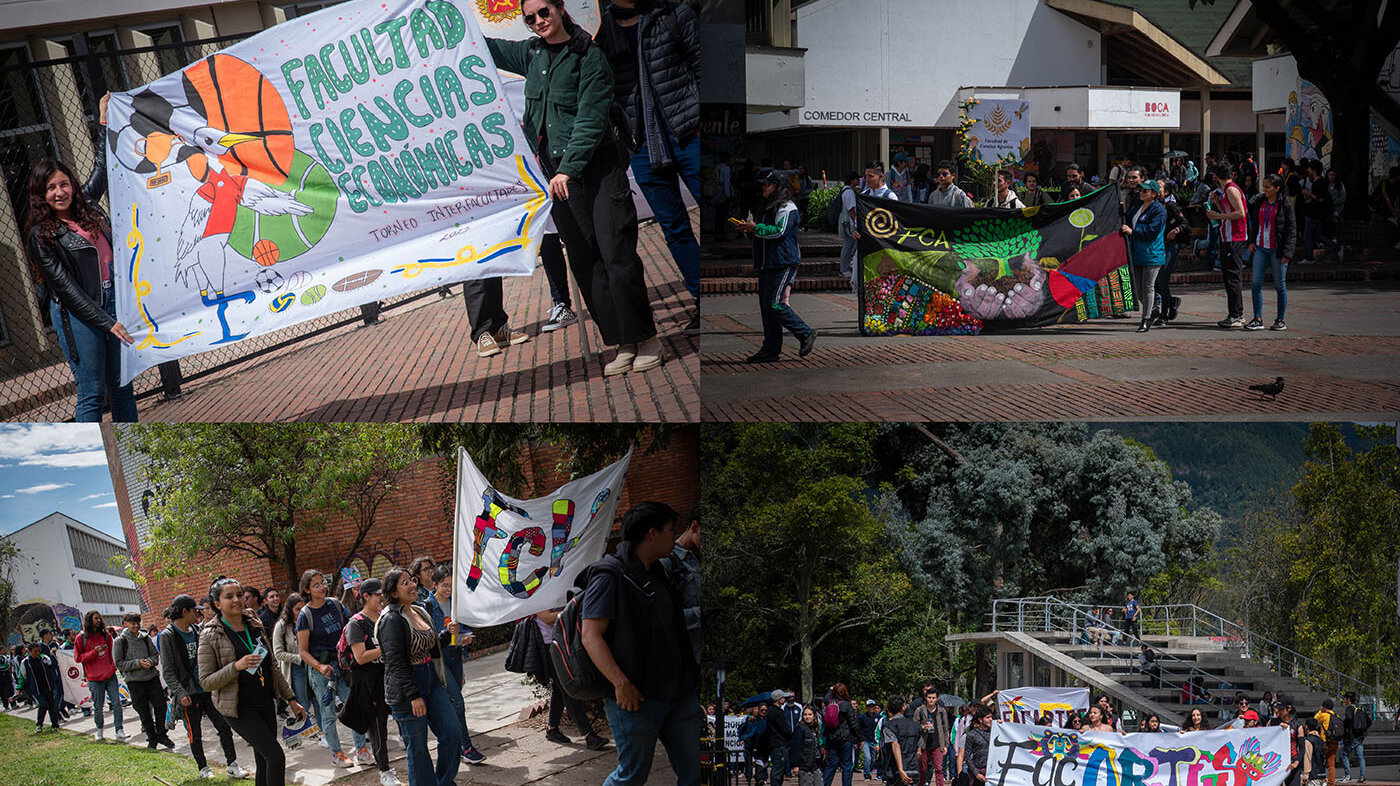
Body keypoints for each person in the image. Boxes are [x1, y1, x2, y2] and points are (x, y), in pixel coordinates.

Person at [487, 0, 663, 376]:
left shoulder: (589, 56)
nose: (538, 22)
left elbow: (591, 117)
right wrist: (439, 19)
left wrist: (567, 169)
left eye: (543, 12)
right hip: (558, 178)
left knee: (617, 255)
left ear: (560, 8)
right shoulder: (531, 54)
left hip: (597, 170)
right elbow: (487, 48)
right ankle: (622, 342)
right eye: (530, 18)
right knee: (585, 261)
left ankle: (647, 337)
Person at [22, 92, 137, 423]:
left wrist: (103, 118)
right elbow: (68, 291)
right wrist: (108, 322)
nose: (60, 193)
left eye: (63, 184)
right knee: (91, 393)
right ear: (41, 195)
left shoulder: (87, 205)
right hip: (80, 316)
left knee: (123, 388)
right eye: (50, 189)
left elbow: (103, 166)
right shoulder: (41, 236)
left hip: (114, 302)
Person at [594, 0, 702, 326]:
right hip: (642, 143)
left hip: (689, 132)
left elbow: (702, 63)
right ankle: (700, 297)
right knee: (675, 228)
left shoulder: (672, 12)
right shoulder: (601, 28)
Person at [580, 501, 701, 786]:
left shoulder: (660, 572)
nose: (675, 536)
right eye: (670, 530)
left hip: (678, 694)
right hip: (637, 699)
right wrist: (621, 683)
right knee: (631, 777)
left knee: (695, 771)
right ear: (651, 534)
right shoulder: (609, 574)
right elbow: (590, 635)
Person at [199, 577, 305, 786]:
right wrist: (236, 667)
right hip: (238, 708)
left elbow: (272, 667)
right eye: (229, 596)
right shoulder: (210, 635)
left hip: (265, 701)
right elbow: (206, 681)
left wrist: (291, 699)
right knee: (275, 756)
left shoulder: (254, 623)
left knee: (263, 758)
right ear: (217, 604)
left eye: (239, 595)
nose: (237, 600)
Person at [380, 566, 463, 786]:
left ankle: (444, 782)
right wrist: (414, 695)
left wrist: (447, 635)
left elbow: (431, 645)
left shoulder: (418, 610)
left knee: (453, 733)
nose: (412, 585)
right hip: (407, 689)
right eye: (405, 583)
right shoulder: (391, 620)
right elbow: (395, 662)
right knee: (417, 749)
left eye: (412, 580)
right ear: (393, 592)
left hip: (431, 680)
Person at [160, 594, 249, 780]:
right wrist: (180, 692)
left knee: (224, 727)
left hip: (208, 688)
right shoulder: (168, 636)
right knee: (195, 733)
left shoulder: (196, 630)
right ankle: (203, 768)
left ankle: (232, 764)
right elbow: (168, 672)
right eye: (195, 611)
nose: (198, 615)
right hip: (189, 693)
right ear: (185, 612)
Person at [735, 168, 817, 363]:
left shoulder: (788, 206)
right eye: (763, 184)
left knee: (775, 304)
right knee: (766, 306)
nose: (764, 187)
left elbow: (780, 231)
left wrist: (756, 228)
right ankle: (771, 349)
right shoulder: (768, 205)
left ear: (779, 187)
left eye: (768, 184)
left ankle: (805, 333)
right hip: (767, 262)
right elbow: (764, 231)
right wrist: (749, 228)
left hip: (783, 262)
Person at [296, 570, 367, 767]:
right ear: (307, 590)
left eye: (323, 582)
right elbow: (302, 651)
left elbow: (351, 625)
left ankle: (361, 749)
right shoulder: (305, 615)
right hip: (321, 671)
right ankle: (337, 754)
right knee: (327, 714)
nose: (322, 587)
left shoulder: (335, 604)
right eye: (316, 585)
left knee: (354, 705)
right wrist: (320, 667)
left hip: (342, 666)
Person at [424, 565, 487, 764]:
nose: (448, 589)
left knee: (452, 704)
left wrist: (464, 638)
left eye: (451, 585)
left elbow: (465, 632)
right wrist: (452, 636)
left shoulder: (456, 604)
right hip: (439, 661)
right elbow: (431, 640)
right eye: (444, 585)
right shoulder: (428, 606)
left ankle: (451, 742)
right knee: (457, 702)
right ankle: (465, 747)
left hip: (455, 657)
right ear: (434, 585)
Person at [343, 579, 403, 786]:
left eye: (382, 594)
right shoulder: (356, 623)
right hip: (369, 686)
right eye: (377, 595)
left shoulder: (385, 617)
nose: (381, 598)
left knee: (406, 720)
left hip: (390, 679)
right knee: (379, 731)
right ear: (365, 596)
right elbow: (360, 656)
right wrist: (388, 648)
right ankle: (385, 771)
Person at [115, 611, 175, 750]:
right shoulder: (120, 641)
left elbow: (155, 655)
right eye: (132, 623)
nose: (135, 626)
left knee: (161, 706)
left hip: (152, 678)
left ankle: (161, 734)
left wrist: (149, 662)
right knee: (144, 711)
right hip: (135, 682)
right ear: (125, 624)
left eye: (137, 622)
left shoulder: (145, 637)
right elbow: (119, 664)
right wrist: (138, 663)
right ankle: (152, 738)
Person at [1245, 174, 1297, 332]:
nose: (1265, 190)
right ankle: (1258, 318)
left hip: (1278, 250)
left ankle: (1280, 319)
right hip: (1261, 247)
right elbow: (1254, 222)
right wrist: (1251, 241)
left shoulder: (1284, 204)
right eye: (1263, 186)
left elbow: (1291, 230)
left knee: (1279, 284)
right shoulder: (1260, 201)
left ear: (1277, 188)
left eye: (1268, 187)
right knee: (1255, 283)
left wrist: (1288, 253)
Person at [1206, 164, 1249, 328]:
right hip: (1228, 237)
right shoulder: (1227, 191)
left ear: (1216, 176)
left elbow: (1240, 213)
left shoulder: (1231, 189)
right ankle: (1235, 313)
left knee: (1233, 277)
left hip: (1235, 238)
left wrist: (1218, 215)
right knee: (1229, 276)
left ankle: (1236, 314)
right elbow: (1230, 210)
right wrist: (1217, 204)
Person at [76, 609, 127, 741]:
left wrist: (112, 668)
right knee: (98, 706)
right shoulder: (81, 638)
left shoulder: (106, 635)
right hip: (94, 678)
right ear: (89, 620)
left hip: (109, 676)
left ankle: (119, 729)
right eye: (96, 618)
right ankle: (99, 729)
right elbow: (78, 658)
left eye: (100, 618)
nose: (99, 621)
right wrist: (94, 652)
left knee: (116, 703)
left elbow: (113, 653)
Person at [661, 506, 701, 663]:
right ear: (694, 527)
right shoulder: (667, 561)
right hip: (687, 658)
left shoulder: (701, 557)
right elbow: (664, 618)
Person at [1298, 161, 1341, 263]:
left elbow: (1320, 199)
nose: (1308, 171)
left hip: (1314, 213)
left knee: (1307, 235)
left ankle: (1309, 257)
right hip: (1318, 213)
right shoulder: (1320, 182)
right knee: (1317, 235)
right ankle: (1336, 247)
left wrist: (1308, 194)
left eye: (1309, 169)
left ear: (1314, 170)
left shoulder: (1318, 183)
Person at [824, 683, 862, 786]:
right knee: (846, 766)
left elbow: (826, 698)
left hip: (832, 737)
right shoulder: (846, 704)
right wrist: (859, 737)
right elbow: (852, 723)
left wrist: (831, 689)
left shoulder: (829, 702)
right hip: (845, 738)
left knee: (831, 765)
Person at [883, 696, 920, 786]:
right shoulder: (916, 726)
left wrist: (900, 769)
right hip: (913, 769)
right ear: (903, 707)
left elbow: (895, 745)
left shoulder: (888, 726)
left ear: (889, 709)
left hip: (895, 771)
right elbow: (919, 750)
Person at [913, 691, 947, 786]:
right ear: (925, 698)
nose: (931, 699)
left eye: (933, 698)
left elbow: (945, 728)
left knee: (939, 769)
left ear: (937, 699)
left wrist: (945, 745)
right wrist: (923, 727)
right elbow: (914, 727)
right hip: (923, 744)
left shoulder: (941, 711)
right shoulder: (919, 710)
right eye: (929, 697)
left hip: (937, 743)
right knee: (923, 769)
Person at [837, 171, 862, 290]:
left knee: (849, 244)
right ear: (853, 180)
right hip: (849, 223)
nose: (859, 182)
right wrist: (856, 223)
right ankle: (845, 268)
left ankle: (846, 267)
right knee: (849, 244)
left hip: (846, 222)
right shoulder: (848, 192)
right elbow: (852, 210)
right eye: (857, 179)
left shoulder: (847, 191)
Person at [768, 689, 797, 785]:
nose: (785, 699)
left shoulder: (774, 710)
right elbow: (783, 728)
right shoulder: (775, 712)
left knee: (780, 768)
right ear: (778, 699)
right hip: (778, 743)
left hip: (778, 743)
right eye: (783, 697)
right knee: (778, 768)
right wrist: (790, 734)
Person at [956, 706, 992, 783]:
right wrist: (976, 774)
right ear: (980, 720)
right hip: (976, 775)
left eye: (991, 717)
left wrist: (1001, 725)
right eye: (988, 717)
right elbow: (967, 756)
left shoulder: (994, 733)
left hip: (991, 773)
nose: (991, 720)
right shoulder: (971, 735)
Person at [792, 705, 824, 786]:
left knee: (819, 783)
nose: (807, 717)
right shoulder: (800, 728)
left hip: (815, 763)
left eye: (810, 714)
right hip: (804, 765)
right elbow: (795, 748)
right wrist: (795, 765)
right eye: (805, 714)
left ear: (814, 716)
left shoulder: (814, 729)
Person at [1340, 691, 1368, 784]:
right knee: (1360, 756)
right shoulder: (1361, 707)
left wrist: (1346, 727)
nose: (1345, 700)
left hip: (1352, 736)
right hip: (1361, 735)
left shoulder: (1349, 708)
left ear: (1348, 699)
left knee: (1344, 755)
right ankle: (1362, 776)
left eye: (1345, 699)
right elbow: (1369, 721)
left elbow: (1349, 719)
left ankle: (1347, 775)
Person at [860, 700, 881, 781]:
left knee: (873, 758)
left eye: (873, 706)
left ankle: (870, 769)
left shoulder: (878, 717)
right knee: (867, 757)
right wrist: (860, 740)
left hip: (874, 741)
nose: (871, 708)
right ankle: (867, 774)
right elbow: (859, 729)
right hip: (865, 740)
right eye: (869, 706)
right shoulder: (862, 717)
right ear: (866, 707)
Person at [1303, 718, 1327, 786]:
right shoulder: (1320, 739)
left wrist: (1306, 774)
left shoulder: (1308, 740)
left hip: (1313, 774)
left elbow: (1307, 757)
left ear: (1306, 727)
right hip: (1322, 773)